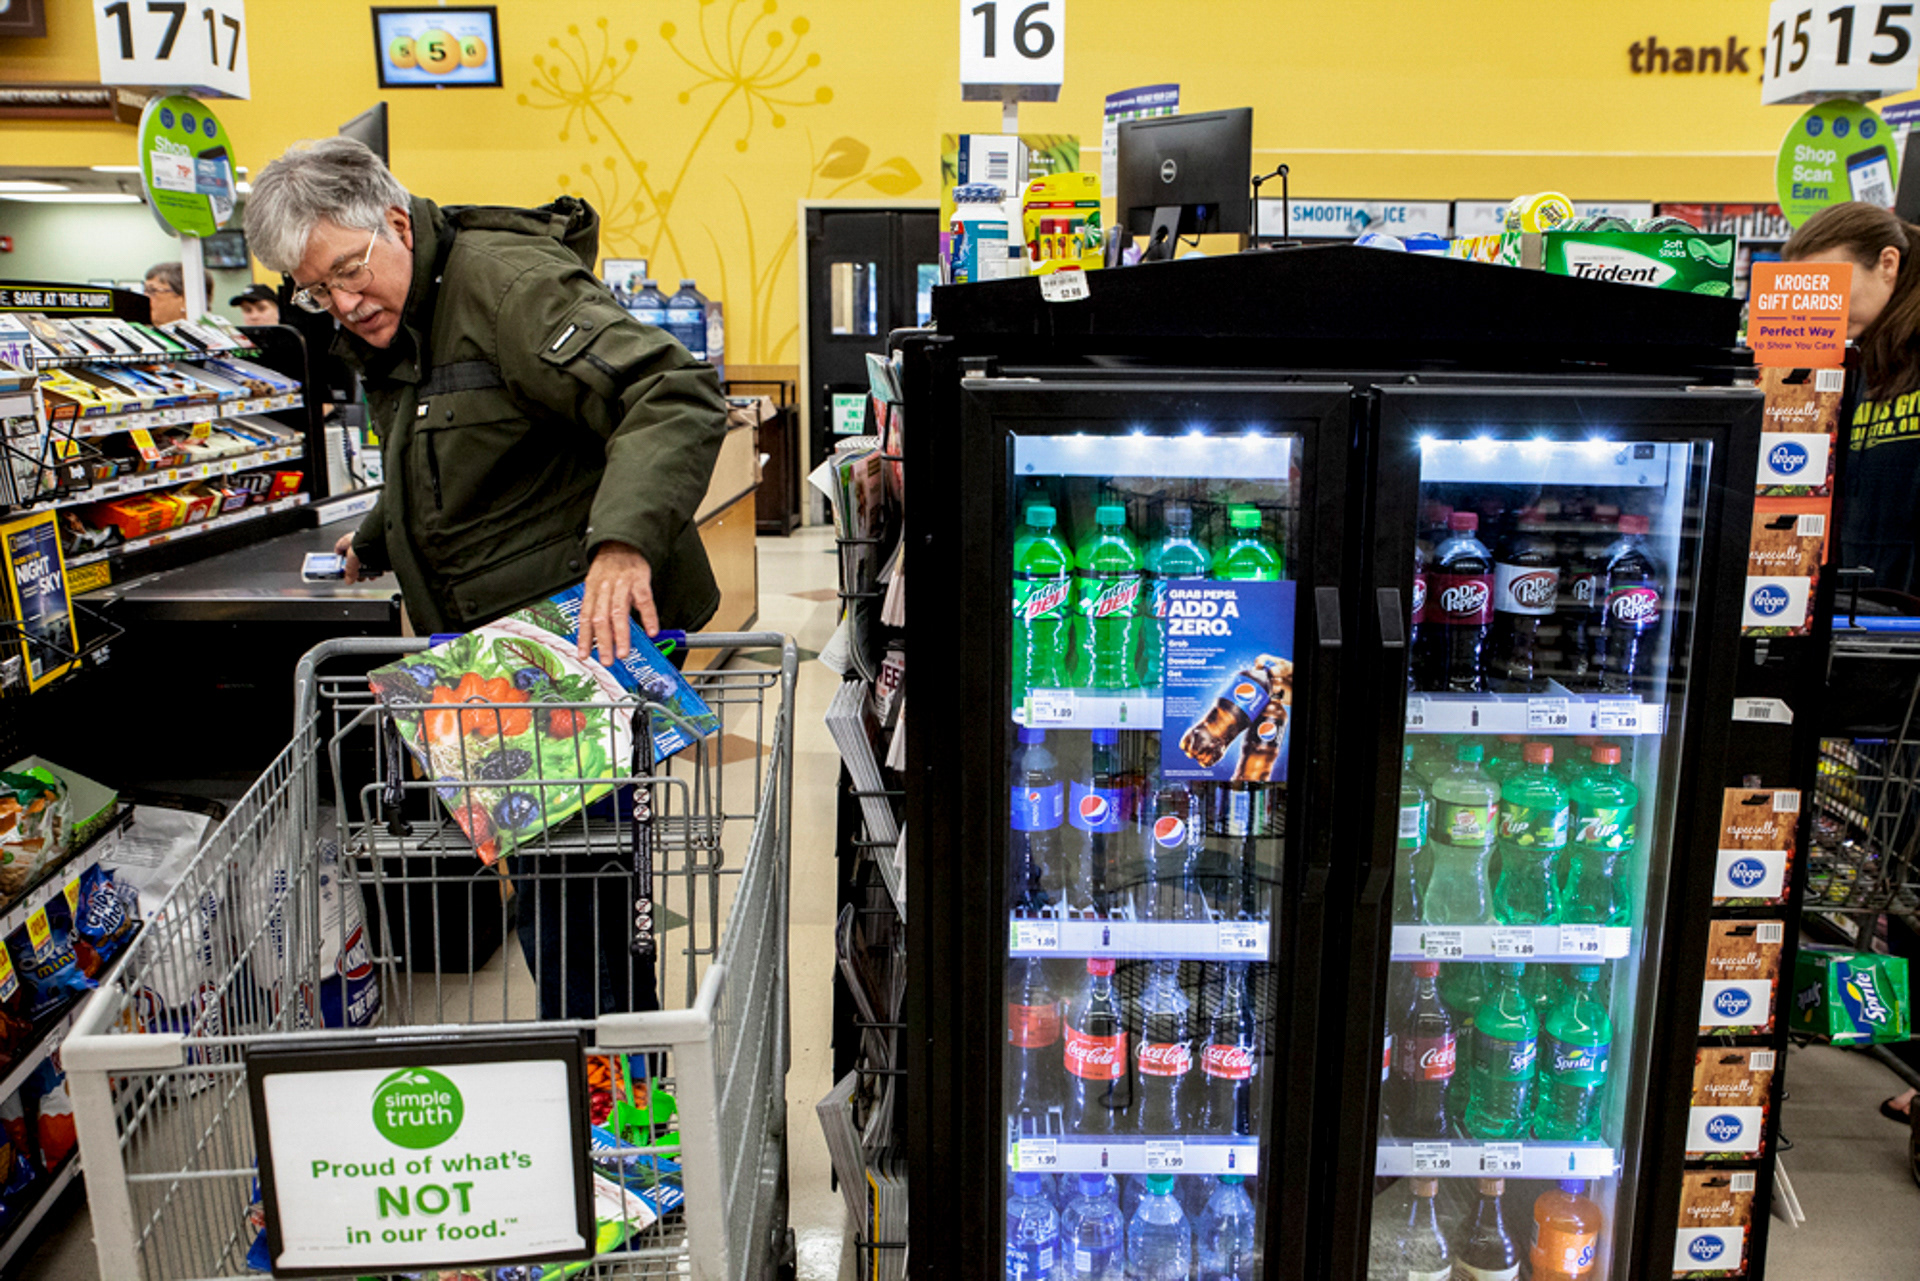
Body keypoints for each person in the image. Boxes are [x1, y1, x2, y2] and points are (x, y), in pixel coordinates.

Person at [244, 136, 729, 1021]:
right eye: (316, 291)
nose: (343, 303)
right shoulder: (406, 317)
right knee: (570, 894)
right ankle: (614, 1073)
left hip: (580, 639)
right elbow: (452, 451)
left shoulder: (506, 288)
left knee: (572, 904)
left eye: (348, 271)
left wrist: (624, 542)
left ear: (396, 224)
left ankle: (606, 1081)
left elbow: (674, 392)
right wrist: (379, 538)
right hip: (502, 660)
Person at [1783, 202, 1920, 593]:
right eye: (1812, 290)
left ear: (1887, 264)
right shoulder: (1861, 357)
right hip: (1863, 605)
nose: (1823, 305)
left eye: (1832, 285)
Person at [142, 261, 216, 326]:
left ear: (186, 300)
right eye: (145, 290)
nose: (145, 296)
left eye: (152, 291)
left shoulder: (210, 335)